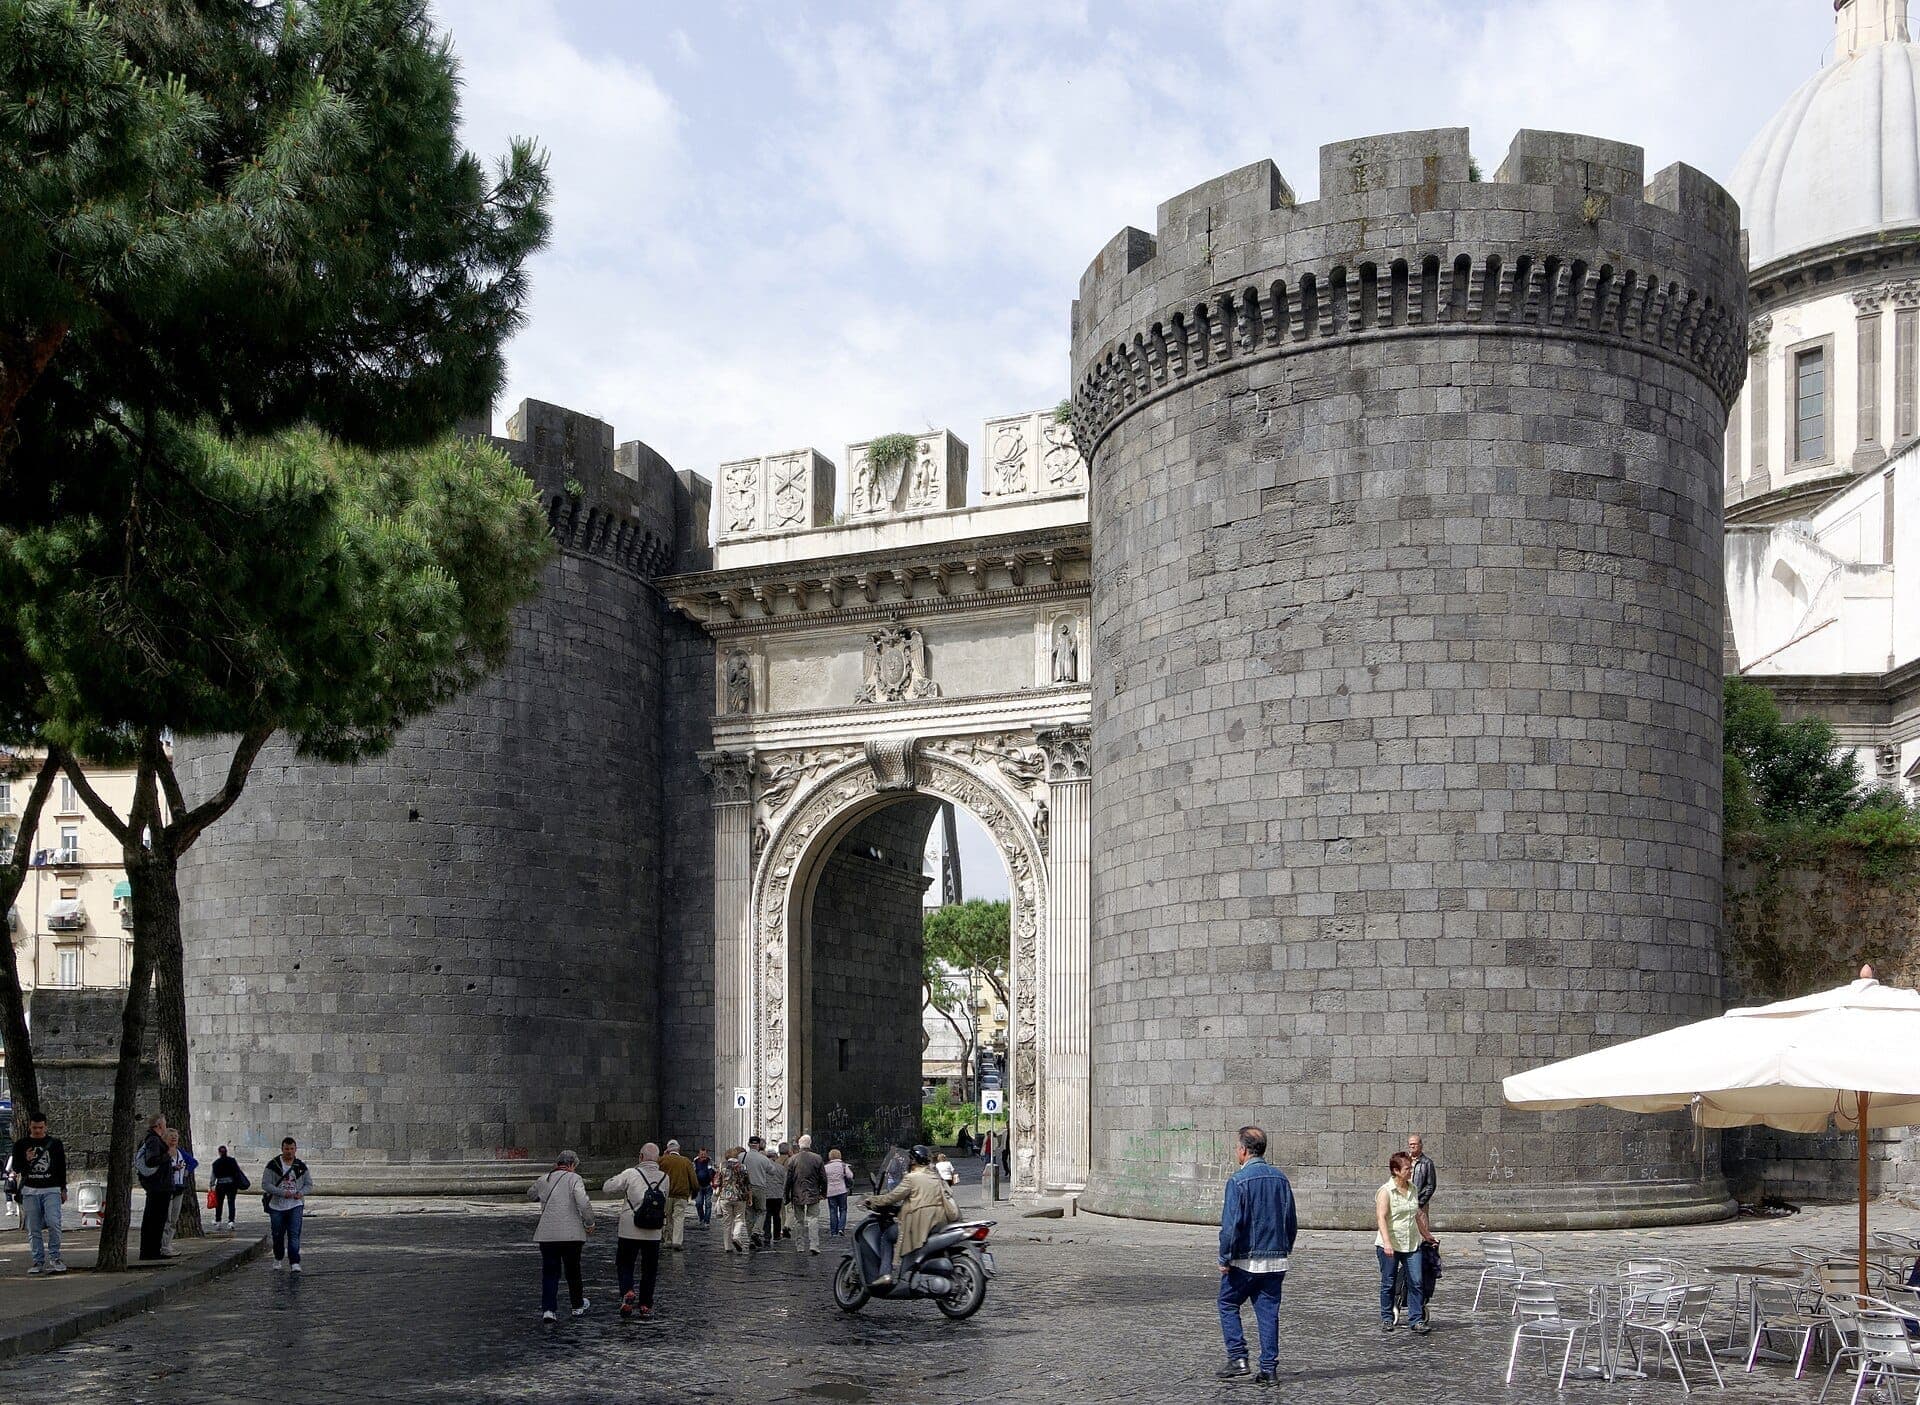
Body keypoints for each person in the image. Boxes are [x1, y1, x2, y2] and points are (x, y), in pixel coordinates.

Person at [1215, 1124, 1297, 1387]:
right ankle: (1269, 1370)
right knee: (1268, 1313)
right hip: (1276, 1260)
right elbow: (1290, 1221)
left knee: (1227, 1303)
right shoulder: (1281, 1179)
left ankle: (1238, 1357)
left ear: (1243, 1150)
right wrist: (1284, 1249)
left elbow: (1231, 1226)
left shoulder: (1238, 1181)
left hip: (1245, 1260)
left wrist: (1224, 1258)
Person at [862, 1144, 957, 1289]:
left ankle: (885, 1274)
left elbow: (891, 1197)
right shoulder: (935, 1177)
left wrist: (872, 1200)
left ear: (912, 1160)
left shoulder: (912, 1178)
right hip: (940, 1221)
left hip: (920, 1221)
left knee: (887, 1237)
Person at [604, 1144, 669, 1319]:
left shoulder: (631, 1173)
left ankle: (627, 1291)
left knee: (625, 1263)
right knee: (650, 1269)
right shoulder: (665, 1177)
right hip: (653, 1231)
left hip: (629, 1229)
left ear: (640, 1157)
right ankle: (646, 1304)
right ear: (657, 1159)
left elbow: (607, 1187)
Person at [1376, 1150, 1437, 1336]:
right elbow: (1381, 1218)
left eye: (1411, 1168)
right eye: (1407, 1169)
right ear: (1396, 1170)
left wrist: (1426, 1235)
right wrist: (1387, 1242)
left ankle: (1416, 1320)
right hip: (1390, 1245)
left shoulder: (1412, 1189)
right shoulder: (1386, 1191)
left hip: (1411, 1244)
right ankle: (1387, 1318)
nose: (1410, 1171)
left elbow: (1416, 1215)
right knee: (1389, 1282)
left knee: (1416, 1281)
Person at [530, 1149, 593, 1321]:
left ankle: (549, 1310)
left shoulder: (544, 1179)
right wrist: (589, 1223)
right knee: (573, 1271)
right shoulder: (575, 1178)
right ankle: (577, 1306)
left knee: (550, 1273)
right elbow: (583, 1202)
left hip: (547, 1235)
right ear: (571, 1165)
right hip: (571, 1235)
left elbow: (531, 1194)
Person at [10, 1111, 68, 1275]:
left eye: (40, 1128)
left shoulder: (54, 1144)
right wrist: (26, 1159)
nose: (37, 1131)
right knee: (33, 1227)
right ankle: (38, 1260)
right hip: (30, 1190)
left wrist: (63, 1188)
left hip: (51, 1189)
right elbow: (16, 1167)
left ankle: (55, 1257)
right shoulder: (21, 1144)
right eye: (35, 1127)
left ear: (45, 1127)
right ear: (30, 1126)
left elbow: (61, 1167)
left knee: (54, 1222)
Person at [1394, 1134, 1438, 1321]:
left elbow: (1431, 1185)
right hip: (1404, 1207)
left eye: (1415, 1144)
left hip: (1419, 1205)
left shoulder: (1426, 1163)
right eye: (1410, 1144)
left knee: (1419, 1243)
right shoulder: (1404, 1162)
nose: (1412, 1147)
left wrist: (1419, 1202)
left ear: (1421, 1145)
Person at [262, 1136, 312, 1272]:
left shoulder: (300, 1166)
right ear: (282, 1149)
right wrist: (282, 1193)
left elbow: (309, 1184)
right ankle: (278, 1257)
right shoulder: (273, 1165)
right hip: (276, 1206)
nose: (289, 1151)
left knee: (294, 1234)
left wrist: (301, 1193)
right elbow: (265, 1184)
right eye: (286, 1149)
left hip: (295, 1205)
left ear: (295, 1149)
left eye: (291, 1149)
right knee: (278, 1234)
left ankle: (294, 1262)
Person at [135, 1114, 173, 1261]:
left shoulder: (152, 1139)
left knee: (156, 1219)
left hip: (159, 1186)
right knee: (155, 1220)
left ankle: (152, 1250)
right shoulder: (153, 1140)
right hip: (158, 1186)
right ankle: (150, 1252)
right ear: (159, 1125)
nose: (165, 1127)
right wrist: (168, 1155)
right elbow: (152, 1160)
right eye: (164, 1124)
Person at [785, 1134, 828, 1255]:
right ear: (810, 1144)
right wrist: (823, 1193)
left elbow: (788, 1180)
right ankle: (814, 1244)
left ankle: (800, 1245)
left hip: (797, 1193)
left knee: (799, 1220)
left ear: (799, 1145)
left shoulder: (793, 1159)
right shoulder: (817, 1158)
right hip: (813, 1193)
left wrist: (786, 1196)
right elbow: (823, 1178)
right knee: (813, 1219)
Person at [158, 1128, 195, 1257]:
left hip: (179, 1188)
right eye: (171, 1136)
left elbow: (193, 1162)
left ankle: (168, 1244)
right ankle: (163, 1247)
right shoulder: (163, 1152)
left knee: (173, 1219)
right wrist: (173, 1168)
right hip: (167, 1189)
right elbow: (160, 1168)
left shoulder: (180, 1152)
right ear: (165, 1138)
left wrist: (186, 1172)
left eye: (176, 1136)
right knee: (166, 1219)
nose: (174, 1138)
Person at [657, 1139, 697, 1251]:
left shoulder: (662, 1160)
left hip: (666, 1194)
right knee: (679, 1218)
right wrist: (694, 1191)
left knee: (668, 1217)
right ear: (678, 1149)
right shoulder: (686, 1161)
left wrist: (663, 1156)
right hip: (681, 1195)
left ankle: (668, 1240)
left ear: (667, 1149)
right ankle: (677, 1242)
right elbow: (693, 1179)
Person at [741, 1137, 777, 1249]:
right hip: (759, 1187)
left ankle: (751, 1239)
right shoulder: (763, 1158)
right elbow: (773, 1171)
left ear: (748, 1144)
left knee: (749, 1213)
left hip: (746, 1188)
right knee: (761, 1211)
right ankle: (756, 1232)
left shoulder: (741, 1156)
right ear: (758, 1145)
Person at [718, 1150, 753, 1253]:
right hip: (740, 1197)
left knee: (727, 1222)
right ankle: (736, 1236)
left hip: (725, 1197)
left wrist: (718, 1193)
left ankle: (727, 1246)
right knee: (739, 1219)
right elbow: (747, 1184)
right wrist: (750, 1197)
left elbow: (718, 1182)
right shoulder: (743, 1167)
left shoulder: (722, 1166)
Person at [208, 1145, 248, 1232]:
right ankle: (231, 1221)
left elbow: (213, 1176)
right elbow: (237, 1172)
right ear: (226, 1152)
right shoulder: (232, 1161)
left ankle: (218, 1221)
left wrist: (211, 1185)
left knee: (219, 1204)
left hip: (220, 1185)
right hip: (231, 1185)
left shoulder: (216, 1163)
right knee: (231, 1203)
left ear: (219, 1153)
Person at [824, 1148, 853, 1238]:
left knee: (833, 1211)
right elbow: (850, 1176)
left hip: (830, 1191)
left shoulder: (826, 1167)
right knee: (843, 1209)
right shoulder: (843, 1165)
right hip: (842, 1190)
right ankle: (841, 1228)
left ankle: (833, 1231)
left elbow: (823, 1178)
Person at [766, 1141, 790, 1242]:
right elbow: (785, 1181)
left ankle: (767, 1235)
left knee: (767, 1215)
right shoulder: (781, 1168)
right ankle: (776, 1235)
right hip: (778, 1194)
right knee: (777, 1215)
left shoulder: (764, 1167)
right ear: (775, 1156)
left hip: (766, 1194)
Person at [693, 1148, 715, 1226]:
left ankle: (707, 1221)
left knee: (708, 1204)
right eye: (701, 1154)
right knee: (698, 1203)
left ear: (707, 1154)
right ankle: (701, 1218)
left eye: (704, 1154)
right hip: (698, 1186)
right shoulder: (695, 1162)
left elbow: (715, 1172)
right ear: (698, 1154)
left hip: (708, 1185)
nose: (703, 1156)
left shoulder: (710, 1162)